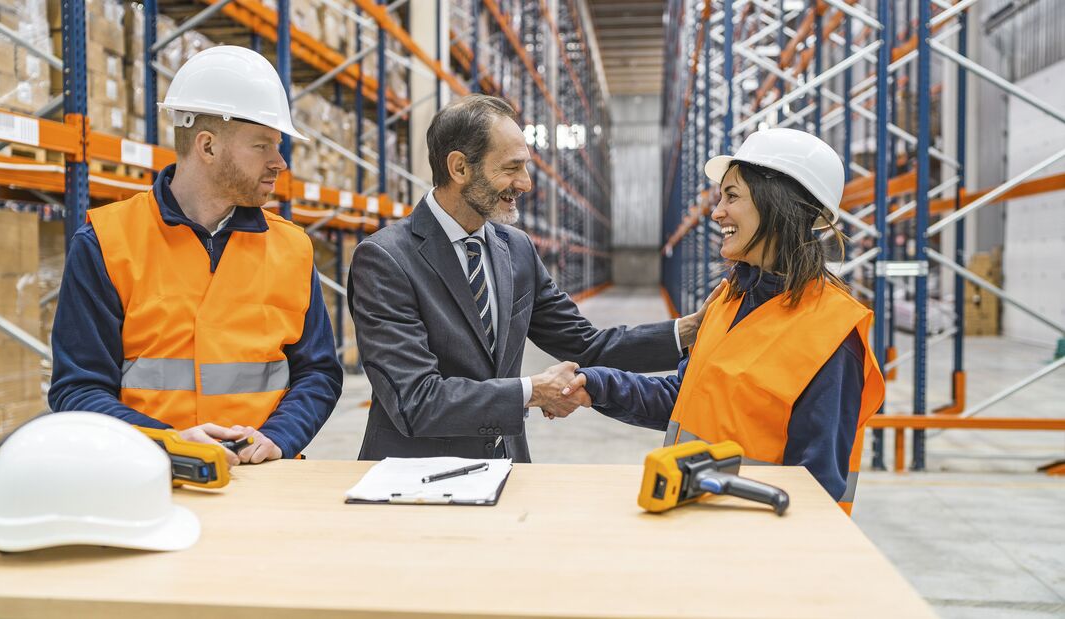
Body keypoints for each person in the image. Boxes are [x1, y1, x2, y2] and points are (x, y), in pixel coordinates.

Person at [347, 94, 703, 463]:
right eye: (512, 167)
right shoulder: (386, 259)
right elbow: (415, 400)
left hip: (506, 466)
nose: (526, 183)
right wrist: (530, 391)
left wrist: (688, 330)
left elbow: (584, 344)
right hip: (412, 481)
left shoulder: (515, 249)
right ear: (459, 168)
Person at [48, 46, 344, 466]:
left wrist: (279, 437)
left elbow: (319, 372)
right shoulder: (106, 241)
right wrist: (170, 443)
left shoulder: (292, 248)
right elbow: (77, 388)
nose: (279, 162)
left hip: (267, 478)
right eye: (262, 145)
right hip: (147, 474)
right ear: (207, 146)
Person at [563, 129, 885, 513]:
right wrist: (598, 384)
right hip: (694, 519)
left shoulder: (832, 334)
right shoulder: (729, 300)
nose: (717, 212)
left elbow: (816, 491)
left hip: (757, 548)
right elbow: (686, 399)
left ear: (779, 207)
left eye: (732, 196)